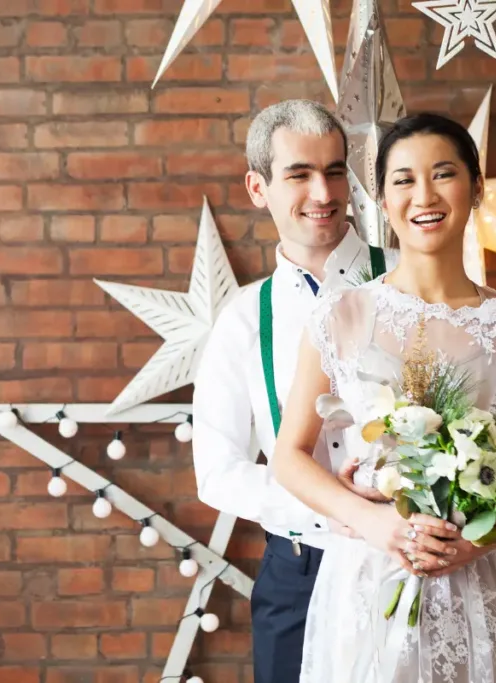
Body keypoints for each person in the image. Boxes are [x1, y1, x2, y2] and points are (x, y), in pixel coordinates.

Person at [271, 112, 496, 682]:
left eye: (443, 174)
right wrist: (374, 523)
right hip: (367, 578)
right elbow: (288, 458)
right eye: (403, 180)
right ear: (382, 201)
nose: (423, 196)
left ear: (476, 187)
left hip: (475, 589)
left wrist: (479, 542)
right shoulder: (342, 314)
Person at [191, 99, 398, 683]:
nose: (323, 192)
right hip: (299, 572)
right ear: (258, 188)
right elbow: (218, 470)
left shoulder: (411, 277)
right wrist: (337, 510)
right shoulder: (241, 319)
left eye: (335, 170)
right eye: (299, 174)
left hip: (409, 562)